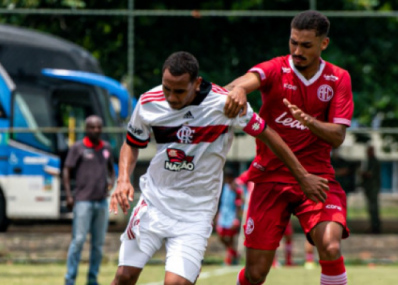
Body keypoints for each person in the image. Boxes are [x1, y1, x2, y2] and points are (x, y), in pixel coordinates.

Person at [109, 51, 328, 285]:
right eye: (166, 88)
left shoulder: (226, 104)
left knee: (176, 284)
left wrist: (303, 176)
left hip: (195, 213)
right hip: (154, 203)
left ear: (197, 83)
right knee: (124, 276)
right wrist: (123, 179)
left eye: (180, 91)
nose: (171, 97)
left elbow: (269, 135)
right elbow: (131, 144)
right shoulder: (148, 102)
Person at [224, 10, 354, 285]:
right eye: (293, 42)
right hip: (270, 178)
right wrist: (237, 90)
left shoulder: (338, 78)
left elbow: (338, 136)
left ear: (323, 44)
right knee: (256, 273)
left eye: (306, 45)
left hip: (317, 178)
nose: (297, 50)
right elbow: (245, 81)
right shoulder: (275, 68)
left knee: (330, 246)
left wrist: (310, 122)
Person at [63, 115, 115, 285]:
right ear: (86, 129)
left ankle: (92, 279)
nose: (96, 130)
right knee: (78, 241)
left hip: (101, 202)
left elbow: (111, 169)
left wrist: (111, 182)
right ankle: (70, 279)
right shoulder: (78, 148)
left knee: (98, 245)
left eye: (98, 127)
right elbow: (66, 171)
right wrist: (69, 195)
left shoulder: (106, 148)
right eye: (92, 127)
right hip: (83, 201)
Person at [215, 168, 244, 266]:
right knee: (220, 235)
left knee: (231, 239)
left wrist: (236, 218)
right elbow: (221, 203)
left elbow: (239, 203)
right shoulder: (224, 186)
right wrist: (218, 215)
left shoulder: (236, 188)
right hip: (223, 216)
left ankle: (229, 260)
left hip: (231, 216)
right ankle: (235, 254)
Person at [360, 145, 381, 234]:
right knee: (371, 208)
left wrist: (361, 173)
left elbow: (370, 174)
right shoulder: (368, 161)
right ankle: (373, 226)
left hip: (373, 188)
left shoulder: (374, 162)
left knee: (373, 208)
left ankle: (375, 227)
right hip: (369, 187)